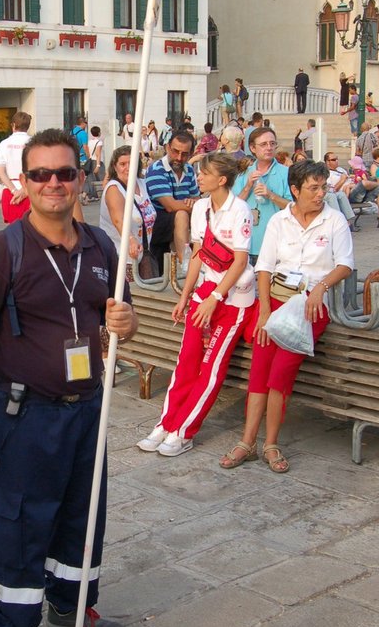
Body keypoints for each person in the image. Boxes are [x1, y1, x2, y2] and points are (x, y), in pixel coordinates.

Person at [0, 129, 137, 627]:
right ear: (24, 183)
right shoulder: (2, 250)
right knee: (22, 523)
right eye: (41, 174)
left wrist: (126, 321)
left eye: (64, 173)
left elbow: (121, 318)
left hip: (87, 410)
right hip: (23, 416)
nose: (54, 183)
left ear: (82, 178)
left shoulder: (102, 246)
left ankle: (71, 608)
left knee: (84, 514)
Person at [220, 159, 354, 474]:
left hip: (309, 305)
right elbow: (264, 267)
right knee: (259, 370)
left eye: (323, 187)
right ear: (295, 190)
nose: (320, 193)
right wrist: (264, 310)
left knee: (280, 372)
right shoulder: (280, 221)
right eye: (313, 188)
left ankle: (271, 443)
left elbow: (344, 263)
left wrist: (321, 287)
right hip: (275, 300)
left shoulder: (333, 221)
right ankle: (247, 440)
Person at [137, 153, 255, 457]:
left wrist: (216, 298)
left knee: (210, 368)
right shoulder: (201, 207)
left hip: (234, 297)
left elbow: (240, 260)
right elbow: (199, 254)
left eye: (204, 173)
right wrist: (185, 295)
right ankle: (166, 423)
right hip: (205, 292)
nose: (198, 177)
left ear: (222, 179)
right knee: (187, 360)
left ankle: (184, 430)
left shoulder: (239, 209)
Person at [232, 127, 290, 266]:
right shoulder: (244, 173)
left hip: (274, 242)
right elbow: (233, 206)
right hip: (246, 242)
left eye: (272, 143)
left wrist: (270, 195)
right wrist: (247, 186)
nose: (269, 148)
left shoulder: (286, 173)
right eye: (263, 144)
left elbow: (293, 207)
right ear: (252, 148)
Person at [145, 128, 200, 272]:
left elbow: (196, 198)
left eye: (184, 154)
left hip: (180, 218)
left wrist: (195, 203)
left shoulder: (189, 169)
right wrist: (195, 205)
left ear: (191, 154)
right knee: (182, 214)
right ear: (167, 147)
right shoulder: (156, 170)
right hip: (157, 221)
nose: (179, 157)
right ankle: (186, 266)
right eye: (175, 151)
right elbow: (170, 206)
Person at [99, 144, 156, 264]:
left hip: (143, 255)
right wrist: (131, 239)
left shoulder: (142, 184)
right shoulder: (114, 189)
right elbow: (118, 220)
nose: (128, 168)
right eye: (123, 164)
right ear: (115, 167)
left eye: (132, 163)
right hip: (121, 258)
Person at [0, 111, 32, 224]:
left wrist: (14, 191)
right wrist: (24, 190)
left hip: (10, 190)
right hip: (30, 190)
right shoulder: (34, 142)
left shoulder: (4, 144)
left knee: (13, 231)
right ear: (28, 126)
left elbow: (1, 172)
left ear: (13, 125)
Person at [89, 125, 104, 196]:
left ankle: (93, 195)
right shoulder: (99, 142)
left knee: (93, 178)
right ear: (98, 133)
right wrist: (98, 165)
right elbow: (98, 154)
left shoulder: (90, 142)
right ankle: (103, 194)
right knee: (102, 178)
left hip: (92, 161)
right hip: (98, 162)